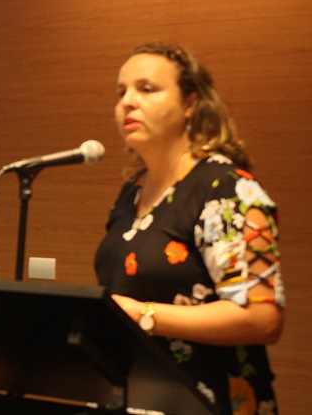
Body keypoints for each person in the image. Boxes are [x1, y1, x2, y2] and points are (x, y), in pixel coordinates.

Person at [94, 42, 284, 415]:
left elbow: (262, 318)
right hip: (138, 396)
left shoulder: (226, 188)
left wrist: (142, 314)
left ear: (190, 104)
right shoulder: (131, 192)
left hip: (210, 401)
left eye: (146, 89)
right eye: (121, 92)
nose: (128, 102)